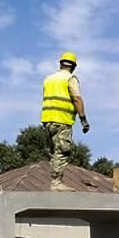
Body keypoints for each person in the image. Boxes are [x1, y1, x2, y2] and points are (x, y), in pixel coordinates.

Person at [41, 50, 89, 191]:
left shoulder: (49, 79)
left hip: (48, 120)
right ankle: (56, 182)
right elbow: (76, 98)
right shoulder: (70, 78)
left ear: (61, 64)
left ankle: (55, 180)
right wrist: (83, 119)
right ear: (73, 66)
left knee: (53, 152)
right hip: (62, 120)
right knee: (62, 151)